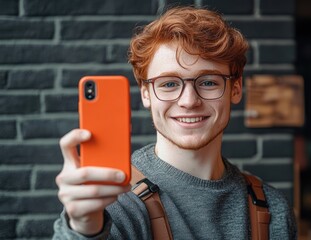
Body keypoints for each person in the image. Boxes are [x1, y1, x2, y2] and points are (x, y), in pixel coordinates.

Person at [52, 6, 297, 240]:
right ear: (146, 94)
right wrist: (83, 228)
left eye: (209, 82)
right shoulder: (114, 200)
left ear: (235, 88)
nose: (189, 101)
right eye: (169, 84)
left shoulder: (272, 208)